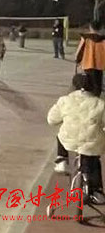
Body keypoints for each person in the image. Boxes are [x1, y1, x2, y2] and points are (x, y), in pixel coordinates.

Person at [48, 73, 105, 205]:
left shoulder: (65, 100)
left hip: (69, 140)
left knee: (60, 134)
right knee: (94, 160)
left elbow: (51, 120)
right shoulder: (100, 104)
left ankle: (62, 160)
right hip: (92, 143)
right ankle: (97, 191)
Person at [76, 21, 105, 96]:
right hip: (100, 65)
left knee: (87, 83)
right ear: (101, 28)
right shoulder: (103, 39)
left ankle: (89, 98)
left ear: (90, 28)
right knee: (97, 84)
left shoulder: (85, 38)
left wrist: (78, 60)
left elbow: (80, 51)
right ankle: (96, 98)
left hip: (87, 64)